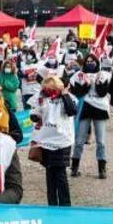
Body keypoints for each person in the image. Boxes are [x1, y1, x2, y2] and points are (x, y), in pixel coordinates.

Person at [30, 75, 78, 206]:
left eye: (51, 88)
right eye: (46, 89)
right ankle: (52, 204)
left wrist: (64, 94)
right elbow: (35, 114)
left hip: (62, 140)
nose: (49, 91)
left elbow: (73, 111)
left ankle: (65, 205)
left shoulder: (68, 98)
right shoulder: (42, 98)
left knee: (60, 174)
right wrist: (35, 116)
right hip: (47, 140)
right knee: (49, 173)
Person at [68, 54, 110, 179]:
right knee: (79, 140)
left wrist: (98, 83)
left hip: (100, 108)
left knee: (101, 141)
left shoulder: (103, 75)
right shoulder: (78, 75)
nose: (90, 63)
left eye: (93, 61)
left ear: (97, 62)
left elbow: (103, 93)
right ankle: (74, 167)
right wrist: (85, 85)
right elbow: (75, 92)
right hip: (84, 107)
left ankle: (102, 168)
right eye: (88, 61)